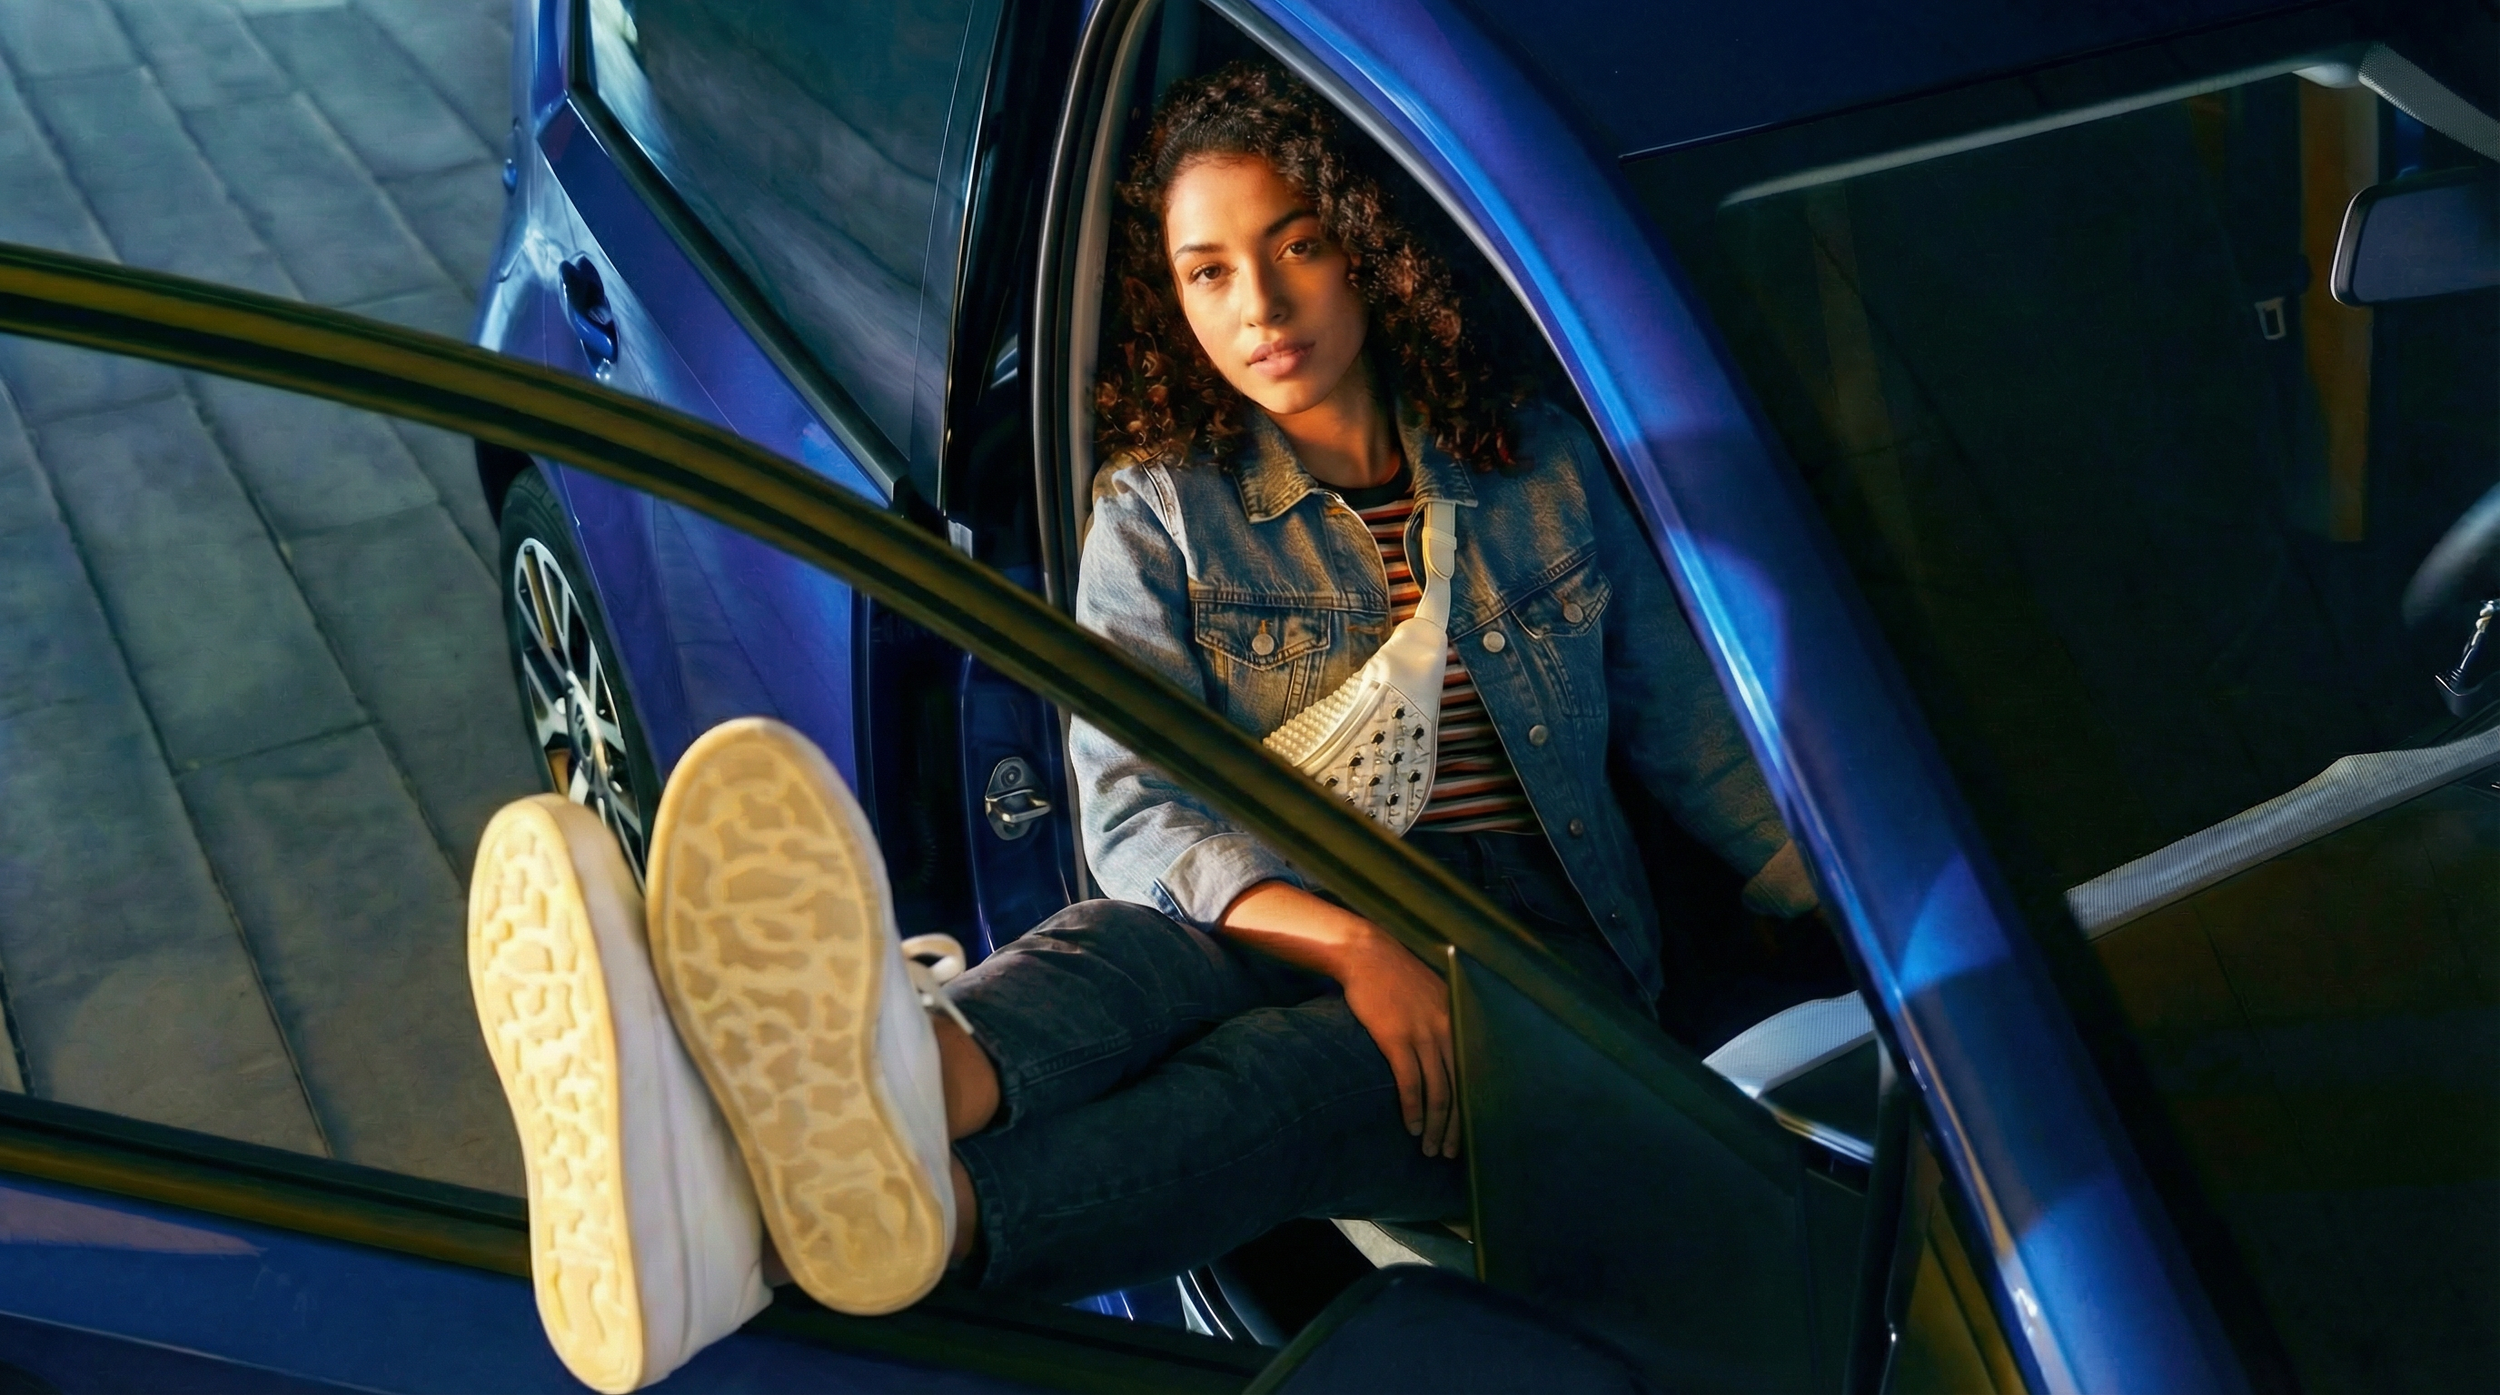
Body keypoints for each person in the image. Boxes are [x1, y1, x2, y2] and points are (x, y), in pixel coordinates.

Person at [465, 61, 1817, 1394]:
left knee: (1271, 1088)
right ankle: (876, 1090)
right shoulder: (1162, 510)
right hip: (1291, 908)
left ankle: (805, 1219)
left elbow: (1710, 751)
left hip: (1532, 969)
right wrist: (1357, 944)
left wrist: (1886, 954)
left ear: (1368, 248)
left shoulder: (1539, 468)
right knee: (1120, 949)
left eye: (1296, 246)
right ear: (1173, 299)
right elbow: (1133, 816)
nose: (1261, 307)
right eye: (1208, 272)